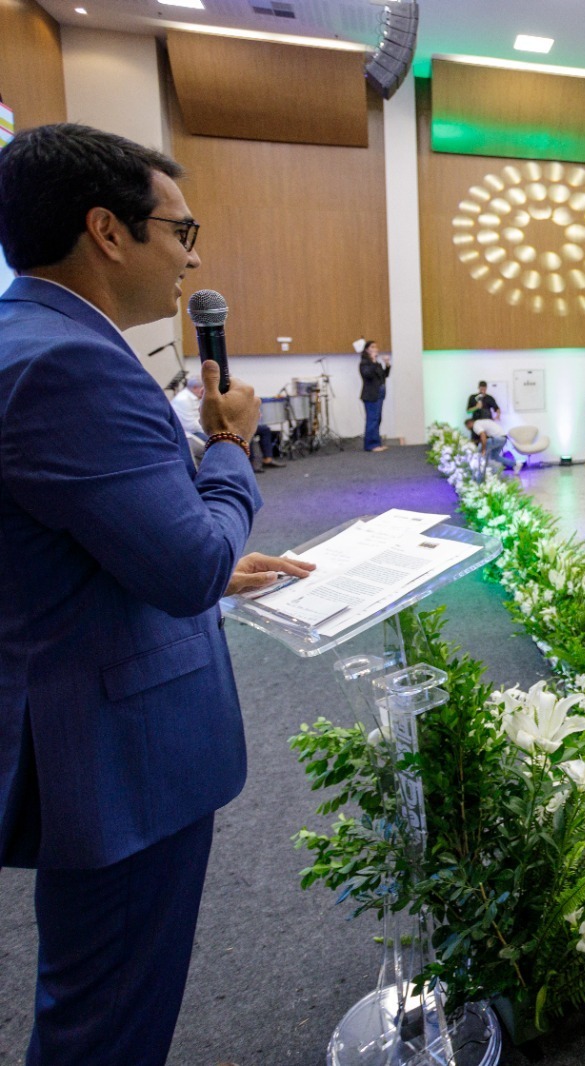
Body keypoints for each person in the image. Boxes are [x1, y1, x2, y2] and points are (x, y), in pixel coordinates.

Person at [0, 122, 317, 1065]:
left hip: (84, 717)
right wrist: (229, 447)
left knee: (100, 1008)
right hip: (117, 757)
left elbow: (86, 543)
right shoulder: (71, 363)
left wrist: (209, 561)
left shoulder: (34, 339)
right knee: (107, 1027)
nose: (192, 257)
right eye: (181, 231)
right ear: (108, 230)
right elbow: (182, 569)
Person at [359, 340, 391, 452]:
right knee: (372, 419)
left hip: (379, 393)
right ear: (367, 350)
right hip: (371, 395)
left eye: (376, 347)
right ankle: (370, 445)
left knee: (377, 419)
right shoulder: (364, 363)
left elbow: (384, 375)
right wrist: (372, 360)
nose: (375, 349)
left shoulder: (376, 363)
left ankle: (377, 443)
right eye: (372, 347)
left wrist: (387, 364)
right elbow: (367, 374)